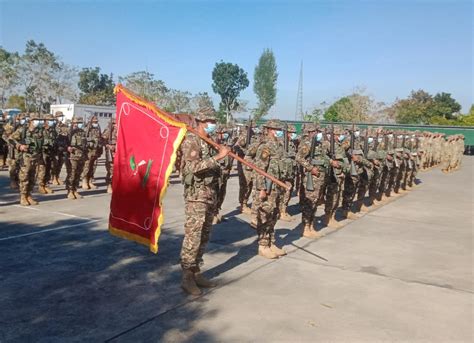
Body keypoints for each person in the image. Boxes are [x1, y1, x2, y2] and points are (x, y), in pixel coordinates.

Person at [179, 106, 230, 296]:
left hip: (209, 195)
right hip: (197, 197)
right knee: (193, 236)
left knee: (205, 235)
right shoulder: (191, 140)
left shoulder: (208, 142)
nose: (213, 125)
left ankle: (196, 272)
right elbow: (192, 167)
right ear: (201, 122)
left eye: (214, 122)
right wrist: (218, 157)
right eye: (210, 122)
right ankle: (186, 277)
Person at [250, 119, 287, 259]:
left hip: (277, 186)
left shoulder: (278, 145)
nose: (279, 132)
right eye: (276, 129)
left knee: (274, 215)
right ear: (270, 130)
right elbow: (260, 169)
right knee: (265, 215)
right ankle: (263, 245)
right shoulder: (265, 146)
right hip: (268, 186)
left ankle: (271, 242)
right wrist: (262, 189)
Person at [296, 123, 329, 238]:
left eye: (318, 131)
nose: (318, 133)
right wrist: (310, 168)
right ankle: (305, 227)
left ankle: (311, 225)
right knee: (309, 202)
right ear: (310, 132)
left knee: (315, 203)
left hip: (319, 177)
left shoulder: (319, 144)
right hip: (312, 177)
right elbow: (299, 157)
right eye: (315, 131)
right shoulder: (307, 144)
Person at [8, 113, 44, 206]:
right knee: (24, 177)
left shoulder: (39, 131)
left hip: (36, 157)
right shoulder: (23, 130)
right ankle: (23, 196)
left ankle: (29, 195)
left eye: (39, 120)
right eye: (36, 120)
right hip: (25, 157)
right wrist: (19, 146)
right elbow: (10, 139)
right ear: (31, 121)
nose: (38, 122)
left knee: (33, 177)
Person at [66, 117, 87, 200]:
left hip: (81, 156)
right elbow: (63, 142)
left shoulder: (82, 132)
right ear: (73, 123)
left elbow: (85, 143)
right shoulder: (69, 131)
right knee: (72, 174)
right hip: (72, 156)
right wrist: (67, 147)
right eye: (78, 122)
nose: (79, 124)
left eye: (81, 122)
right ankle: (70, 191)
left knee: (78, 174)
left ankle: (75, 190)